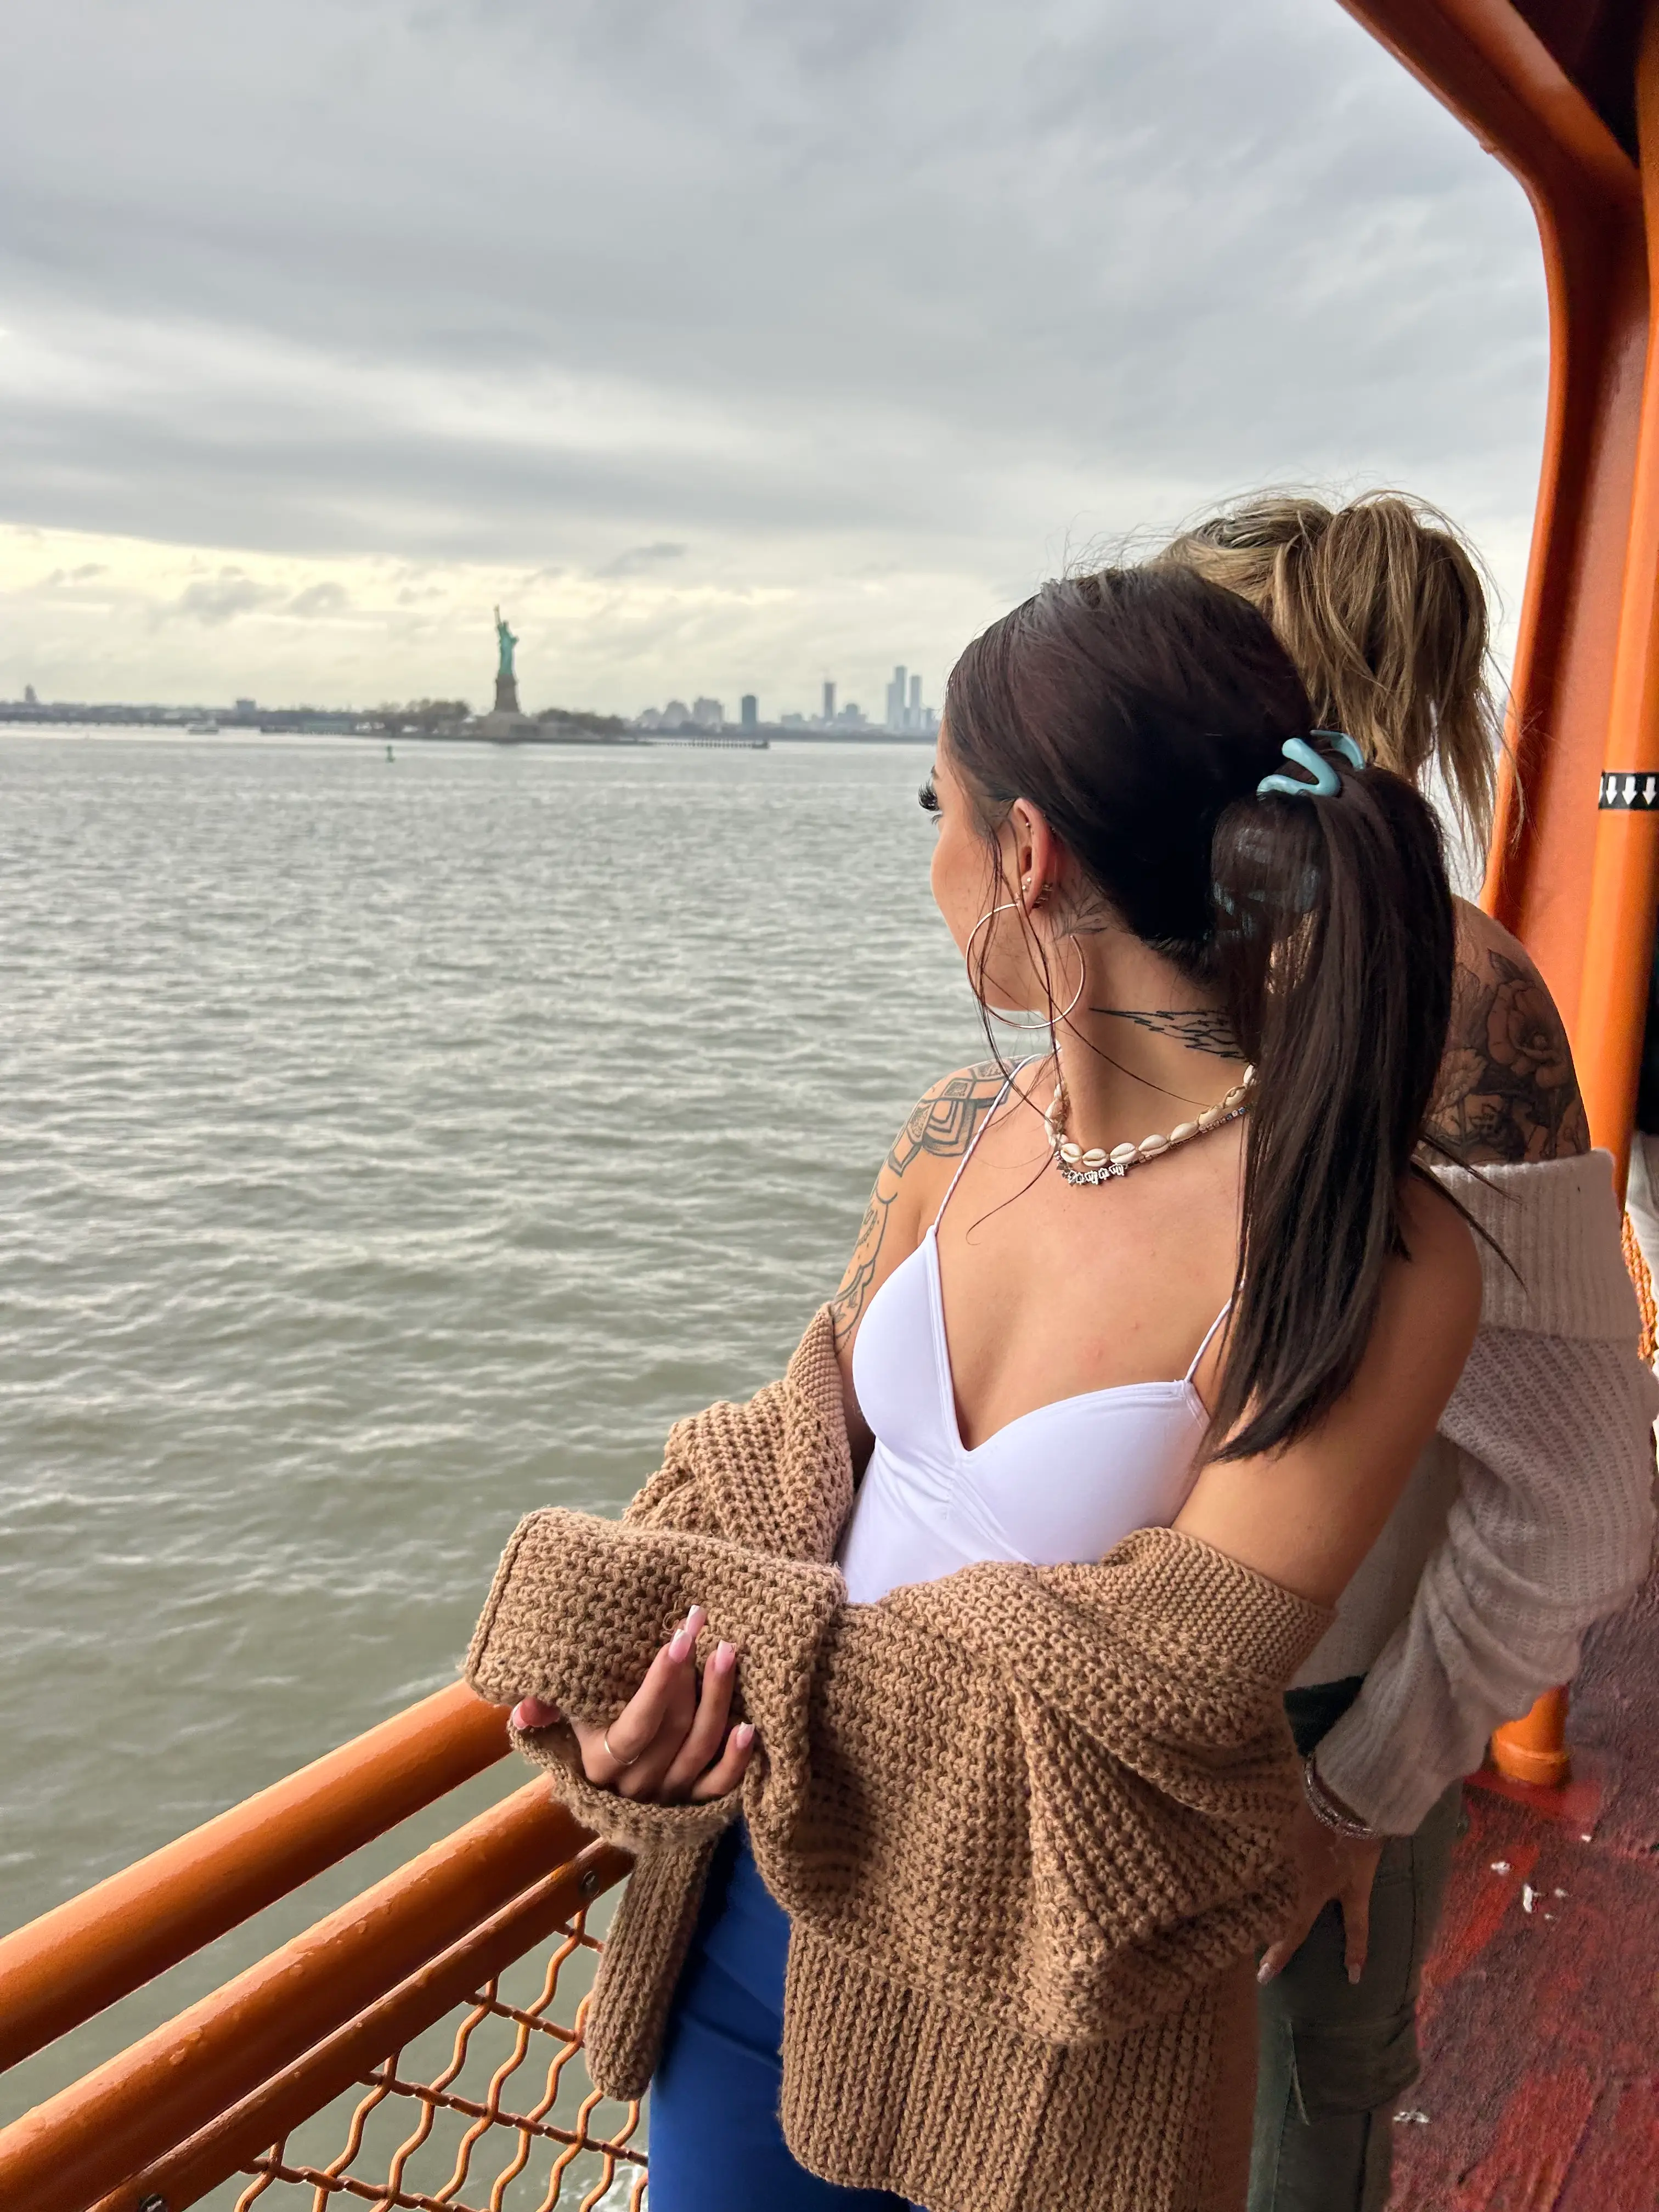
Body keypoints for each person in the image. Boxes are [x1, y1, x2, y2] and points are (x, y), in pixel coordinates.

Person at [466, 563, 1484, 2212]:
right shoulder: (964, 1129)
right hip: (752, 1942)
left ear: (1026, 854)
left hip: (1065, 2042)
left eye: (936, 809)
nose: (927, 862)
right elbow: (784, 1462)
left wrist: (740, 1656)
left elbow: (1137, 1706)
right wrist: (642, 1679)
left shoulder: (1369, 1251)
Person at [1161, 491, 1659, 2211]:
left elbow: (1583, 1502)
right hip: (1157, 1698)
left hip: (1317, 1718)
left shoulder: (1448, 1000)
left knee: (1296, 2135)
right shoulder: (1197, 967)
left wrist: (1358, 1794)